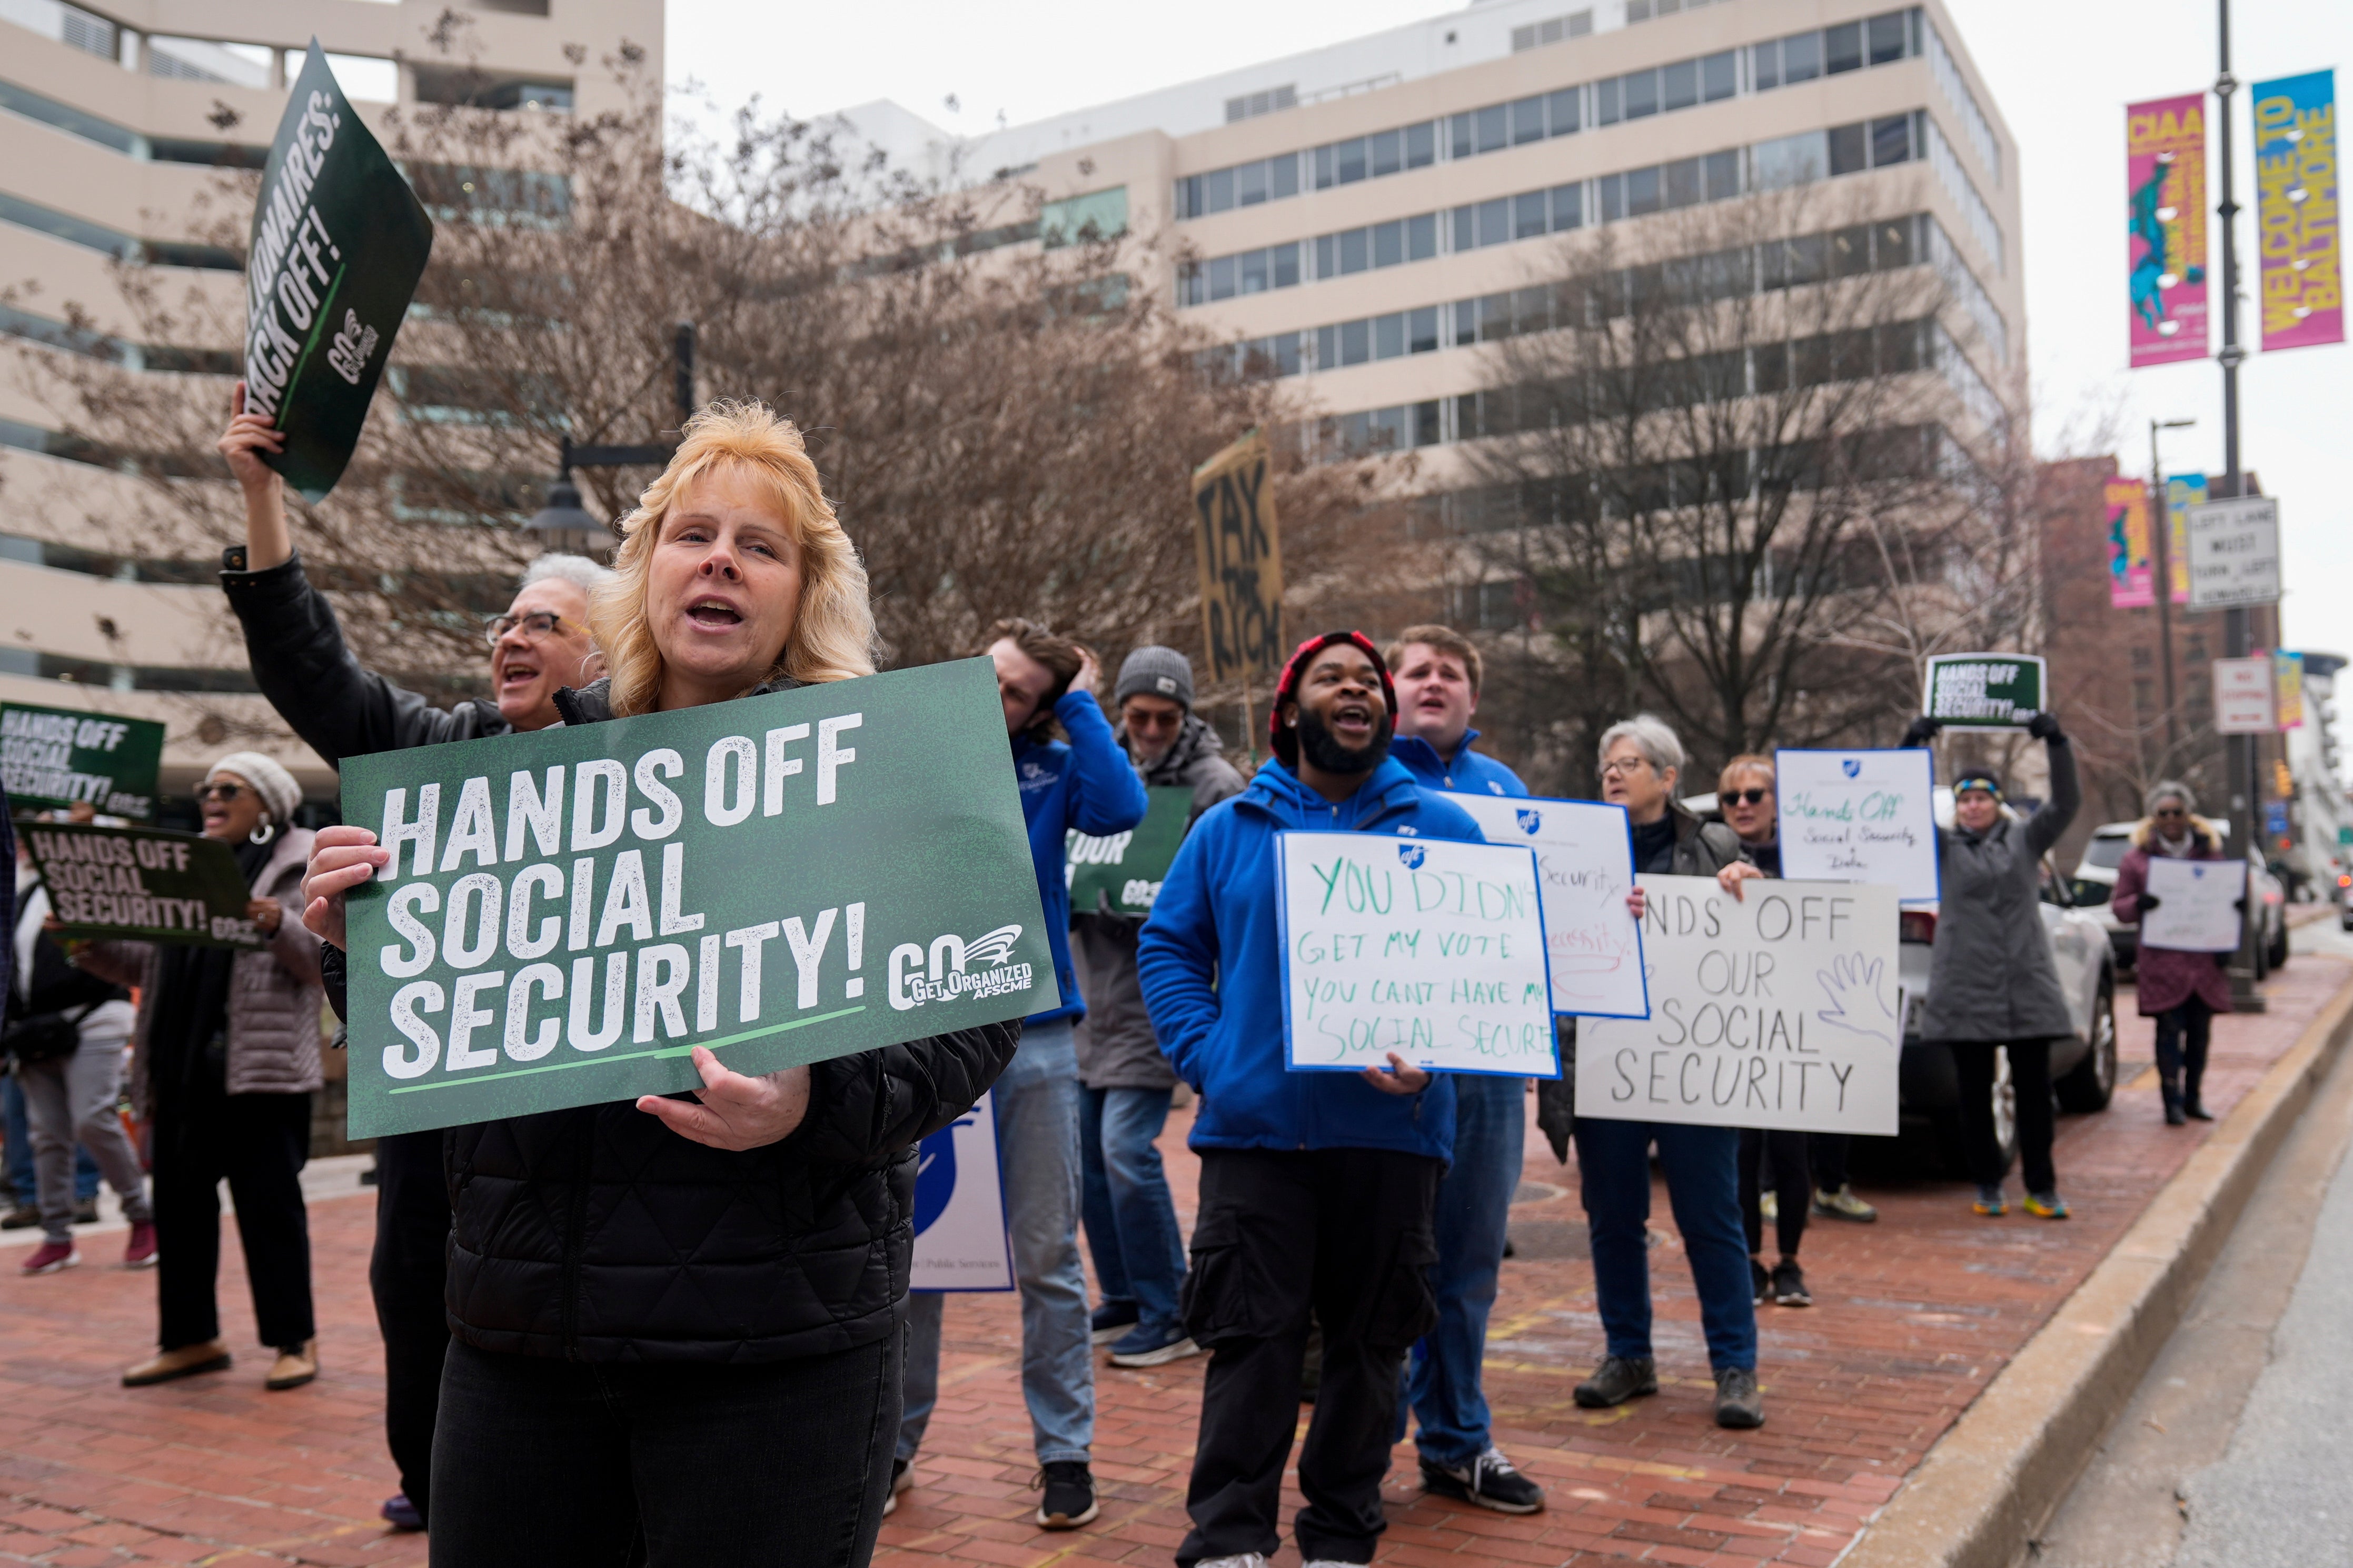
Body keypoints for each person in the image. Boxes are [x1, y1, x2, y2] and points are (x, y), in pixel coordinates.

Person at [298, 401, 1020, 1566]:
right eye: (693, 534)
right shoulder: (517, 775)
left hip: (772, 1358)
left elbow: (974, 1014)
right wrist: (361, 943)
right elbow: (443, 1036)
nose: (721, 559)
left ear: (802, 593)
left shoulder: (884, 775)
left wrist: (811, 1098)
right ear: (647, 574)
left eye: (759, 544)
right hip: (518, 1349)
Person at [215, 385, 612, 1532]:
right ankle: (436, 1480)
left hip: (576, 1110)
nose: (510, 637)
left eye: (543, 622)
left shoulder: (648, 764)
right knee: (411, 1280)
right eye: (504, 621)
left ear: (602, 654)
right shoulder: (442, 748)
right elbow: (310, 668)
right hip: (441, 1104)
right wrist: (261, 495)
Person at [1138, 631, 1485, 1568]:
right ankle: (1228, 1535)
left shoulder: (1446, 829)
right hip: (1256, 1137)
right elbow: (1168, 947)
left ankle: (1340, 1533)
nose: (1355, 689)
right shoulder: (1228, 828)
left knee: (1372, 1349)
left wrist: (1435, 1060)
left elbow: (1485, 972)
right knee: (1251, 1340)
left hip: (1393, 1136)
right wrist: (1211, 1056)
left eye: (1369, 680)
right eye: (1332, 677)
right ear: (1290, 709)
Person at [896, 617, 1147, 1529]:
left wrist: (1079, 701)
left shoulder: (1055, 765)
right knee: (921, 1252)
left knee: (1046, 1251)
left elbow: (1121, 808)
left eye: (1016, 693)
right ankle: (893, 1444)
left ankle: (1064, 1450)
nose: (992, 697)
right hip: (925, 1027)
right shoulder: (915, 754)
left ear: (1038, 708)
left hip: (1033, 1031)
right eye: (989, 675)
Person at [74, 754, 322, 1390]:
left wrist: (278, 924)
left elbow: (326, 964)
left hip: (259, 1075)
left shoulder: (300, 861)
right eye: (206, 789)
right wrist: (88, 946)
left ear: (267, 804)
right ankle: (191, 1339)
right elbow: (147, 963)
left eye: (228, 790)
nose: (211, 798)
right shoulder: (184, 867)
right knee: (181, 1212)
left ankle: (294, 1340)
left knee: (269, 1212)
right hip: (179, 1070)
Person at [1378, 626, 1544, 1513]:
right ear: (1388, 688)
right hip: (1385, 1061)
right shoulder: (1359, 780)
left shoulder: (1508, 791)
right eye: (1417, 670)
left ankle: (1455, 1438)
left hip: (1485, 1060)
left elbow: (1556, 911)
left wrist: (1613, 906)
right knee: (1380, 1257)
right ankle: (1364, 1441)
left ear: (1472, 698)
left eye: (1450, 673)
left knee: (1470, 1257)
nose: (1433, 682)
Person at [1576, 714, 1762, 1429]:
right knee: (1613, 1218)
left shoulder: (1714, 843)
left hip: (1693, 1063)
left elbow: (1760, 933)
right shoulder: (1578, 850)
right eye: (1606, 765)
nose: (1612, 774)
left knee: (1711, 1218)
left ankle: (1735, 1366)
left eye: (1627, 763)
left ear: (1667, 776)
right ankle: (1628, 1354)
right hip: (1606, 1061)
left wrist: (1750, 885)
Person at [1072, 646, 1244, 1370]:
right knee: (1087, 1158)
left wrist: (1148, 899)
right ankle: (1125, 1294)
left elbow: (1224, 894)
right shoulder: (1104, 767)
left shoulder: (1215, 786)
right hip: (1091, 997)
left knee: (1125, 1150)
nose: (1148, 730)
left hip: (1153, 1003)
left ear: (1186, 716)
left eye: (1164, 719)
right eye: (1138, 715)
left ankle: (1171, 1306)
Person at [1902, 712, 2081, 1218]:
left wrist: (2056, 742)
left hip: (2025, 983)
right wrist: (1912, 743)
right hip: (1965, 986)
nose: (1972, 806)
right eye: (1964, 800)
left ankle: (2041, 1188)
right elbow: (1900, 803)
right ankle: (1986, 1184)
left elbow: (2066, 803)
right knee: (1973, 1094)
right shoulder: (1942, 846)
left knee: (2034, 1093)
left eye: (1981, 798)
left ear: (1996, 802)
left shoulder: (2026, 838)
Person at [9, 827, 155, 1274]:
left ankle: (142, 1216)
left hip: (95, 1016)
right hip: (36, 1029)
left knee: (93, 1117)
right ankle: (57, 1235)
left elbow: (118, 951)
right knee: (46, 1133)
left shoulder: (96, 884)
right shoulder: (26, 894)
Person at [1711, 756, 1813, 1310]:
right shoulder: (1706, 858)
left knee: (1791, 1151)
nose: (1743, 805)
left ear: (1777, 802)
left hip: (1793, 1023)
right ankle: (1749, 1260)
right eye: (1731, 798)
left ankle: (1789, 1262)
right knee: (1743, 1153)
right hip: (1731, 1024)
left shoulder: (1811, 858)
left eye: (1754, 794)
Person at [2110, 781, 2232, 1125]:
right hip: (2162, 963)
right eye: (2163, 813)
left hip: (2203, 962)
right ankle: (2171, 1102)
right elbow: (2119, 907)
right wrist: (2139, 903)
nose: (2171, 819)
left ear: (2188, 814)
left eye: (2177, 812)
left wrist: (2232, 917)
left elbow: (2226, 899)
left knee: (2199, 1035)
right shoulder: (2136, 859)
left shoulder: (2210, 853)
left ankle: (2193, 1097)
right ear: (2153, 817)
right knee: (2168, 1032)